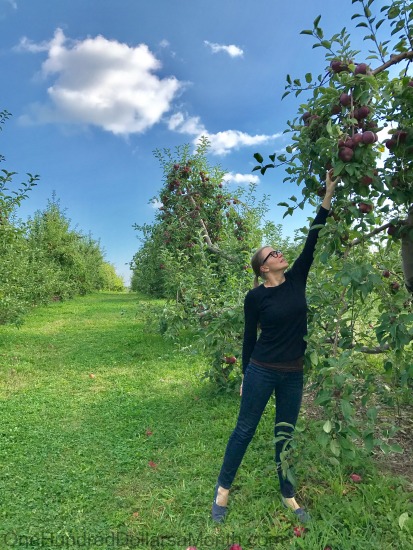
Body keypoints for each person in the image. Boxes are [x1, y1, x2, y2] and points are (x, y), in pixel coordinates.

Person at [211, 169, 339, 524]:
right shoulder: (255, 297)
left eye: (279, 250)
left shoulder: (297, 278)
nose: (280, 253)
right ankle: (222, 490)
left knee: (284, 435)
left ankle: (288, 493)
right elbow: (249, 338)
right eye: (272, 253)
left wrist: (327, 195)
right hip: (262, 371)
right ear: (263, 267)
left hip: (292, 375)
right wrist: (244, 375)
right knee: (244, 430)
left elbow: (313, 236)